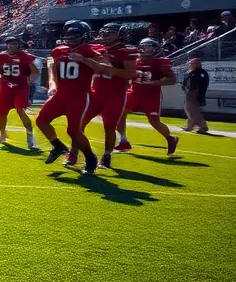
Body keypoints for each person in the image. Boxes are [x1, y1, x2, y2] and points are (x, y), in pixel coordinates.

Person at [37, 21, 103, 174]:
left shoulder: (90, 50)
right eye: (69, 35)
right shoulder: (58, 50)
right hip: (61, 94)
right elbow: (52, 65)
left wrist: (84, 59)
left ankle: (90, 158)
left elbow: (104, 68)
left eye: (75, 36)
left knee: (73, 131)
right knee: (41, 120)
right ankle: (58, 146)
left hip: (79, 96)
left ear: (84, 36)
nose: (71, 39)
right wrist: (52, 83)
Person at [72, 23, 136, 168]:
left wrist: (110, 70)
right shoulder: (97, 48)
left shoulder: (126, 51)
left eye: (109, 33)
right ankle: (73, 152)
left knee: (109, 127)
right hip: (96, 92)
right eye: (104, 33)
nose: (104, 36)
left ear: (120, 34)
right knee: (78, 124)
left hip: (115, 94)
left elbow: (131, 73)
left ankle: (107, 156)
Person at [115, 38, 178, 154]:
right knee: (119, 112)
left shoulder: (160, 61)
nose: (145, 49)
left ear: (156, 48)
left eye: (149, 47)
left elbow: (172, 79)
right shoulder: (135, 60)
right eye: (143, 47)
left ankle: (170, 138)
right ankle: (123, 141)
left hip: (151, 94)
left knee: (154, 121)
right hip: (135, 91)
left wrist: (156, 82)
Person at [0, 35, 39, 149]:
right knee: (2, 112)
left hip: (21, 86)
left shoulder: (24, 56)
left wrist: (29, 81)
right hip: (6, 86)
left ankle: (30, 135)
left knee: (20, 110)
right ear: (7, 45)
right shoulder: (1, 57)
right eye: (11, 43)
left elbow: (35, 72)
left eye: (15, 43)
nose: (14, 46)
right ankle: (2, 132)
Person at [182, 57, 209, 134]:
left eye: (191, 63)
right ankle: (189, 126)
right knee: (189, 111)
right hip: (190, 93)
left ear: (196, 64)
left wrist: (194, 98)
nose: (189, 65)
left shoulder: (198, 73)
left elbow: (195, 87)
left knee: (193, 112)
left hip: (195, 95)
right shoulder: (192, 73)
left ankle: (203, 127)